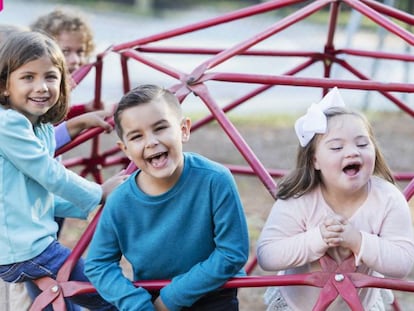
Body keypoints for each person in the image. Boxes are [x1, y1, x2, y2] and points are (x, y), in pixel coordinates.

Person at [84, 84, 249, 310]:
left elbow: (232, 253)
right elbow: (98, 264)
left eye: (160, 128)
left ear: (183, 129)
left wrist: (172, 298)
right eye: (137, 136)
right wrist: (135, 303)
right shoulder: (120, 200)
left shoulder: (215, 180)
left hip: (214, 295)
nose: (151, 141)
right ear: (125, 149)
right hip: (150, 297)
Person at [0, 31, 127, 310]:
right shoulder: (8, 124)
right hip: (25, 251)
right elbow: (50, 174)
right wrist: (99, 192)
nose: (42, 86)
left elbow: (43, 196)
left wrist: (88, 205)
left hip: (29, 249)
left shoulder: (40, 127)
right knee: (108, 294)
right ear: (5, 86)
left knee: (59, 301)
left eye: (50, 77)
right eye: (28, 77)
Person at [256, 87, 414, 310]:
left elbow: (402, 262)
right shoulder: (299, 199)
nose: (352, 152)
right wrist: (318, 239)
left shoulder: (388, 198)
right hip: (298, 305)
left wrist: (358, 241)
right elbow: (268, 256)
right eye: (337, 147)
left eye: (362, 144)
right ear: (314, 161)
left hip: (360, 305)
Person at [31, 8, 98, 118]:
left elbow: (54, 116)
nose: (75, 60)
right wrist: (81, 121)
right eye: (65, 51)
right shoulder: (38, 90)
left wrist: (85, 109)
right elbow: (46, 124)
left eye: (80, 51)